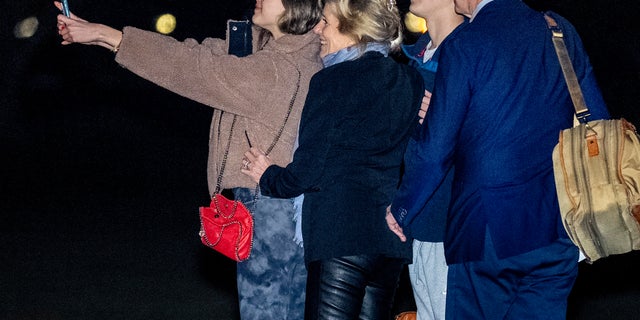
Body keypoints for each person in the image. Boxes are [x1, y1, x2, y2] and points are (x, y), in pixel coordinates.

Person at [54, 0, 323, 319]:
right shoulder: (286, 55)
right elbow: (200, 52)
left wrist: (110, 35)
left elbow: (192, 69)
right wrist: (99, 36)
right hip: (281, 208)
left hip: (269, 213)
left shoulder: (276, 70)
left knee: (266, 312)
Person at [385, 0, 611, 319]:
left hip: (483, 232)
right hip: (553, 228)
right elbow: (598, 123)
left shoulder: (466, 43)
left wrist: (402, 208)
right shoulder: (558, 29)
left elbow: (435, 151)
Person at [240, 0, 423, 318]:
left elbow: (307, 171)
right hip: (389, 244)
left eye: (325, 21)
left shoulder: (333, 80)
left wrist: (269, 174)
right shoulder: (409, 81)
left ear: (352, 27)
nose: (318, 30)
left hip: (340, 237)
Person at [400, 1, 465, 319]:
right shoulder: (418, 55)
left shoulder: (470, 52)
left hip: (452, 226)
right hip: (418, 220)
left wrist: (451, 117)